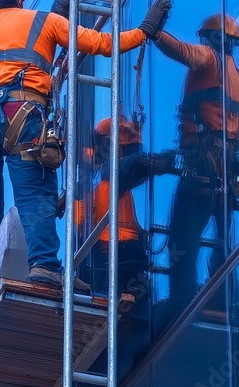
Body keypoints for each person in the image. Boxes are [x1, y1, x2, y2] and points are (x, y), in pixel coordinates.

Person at [0, 0, 173, 316]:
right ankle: (43, 265)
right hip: (22, 117)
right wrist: (143, 32)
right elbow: (103, 44)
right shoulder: (45, 22)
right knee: (35, 194)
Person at [156, 13, 239, 316]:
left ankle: (181, 302)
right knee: (222, 243)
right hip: (227, 170)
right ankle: (229, 303)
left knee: (183, 238)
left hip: (204, 166)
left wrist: (154, 32)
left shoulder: (209, 59)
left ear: (213, 39)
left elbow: (181, 51)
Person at [77, 117, 178, 378]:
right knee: (134, 334)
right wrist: (159, 161)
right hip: (118, 260)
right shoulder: (108, 177)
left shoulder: (86, 183)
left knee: (127, 335)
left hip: (105, 262)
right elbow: (132, 165)